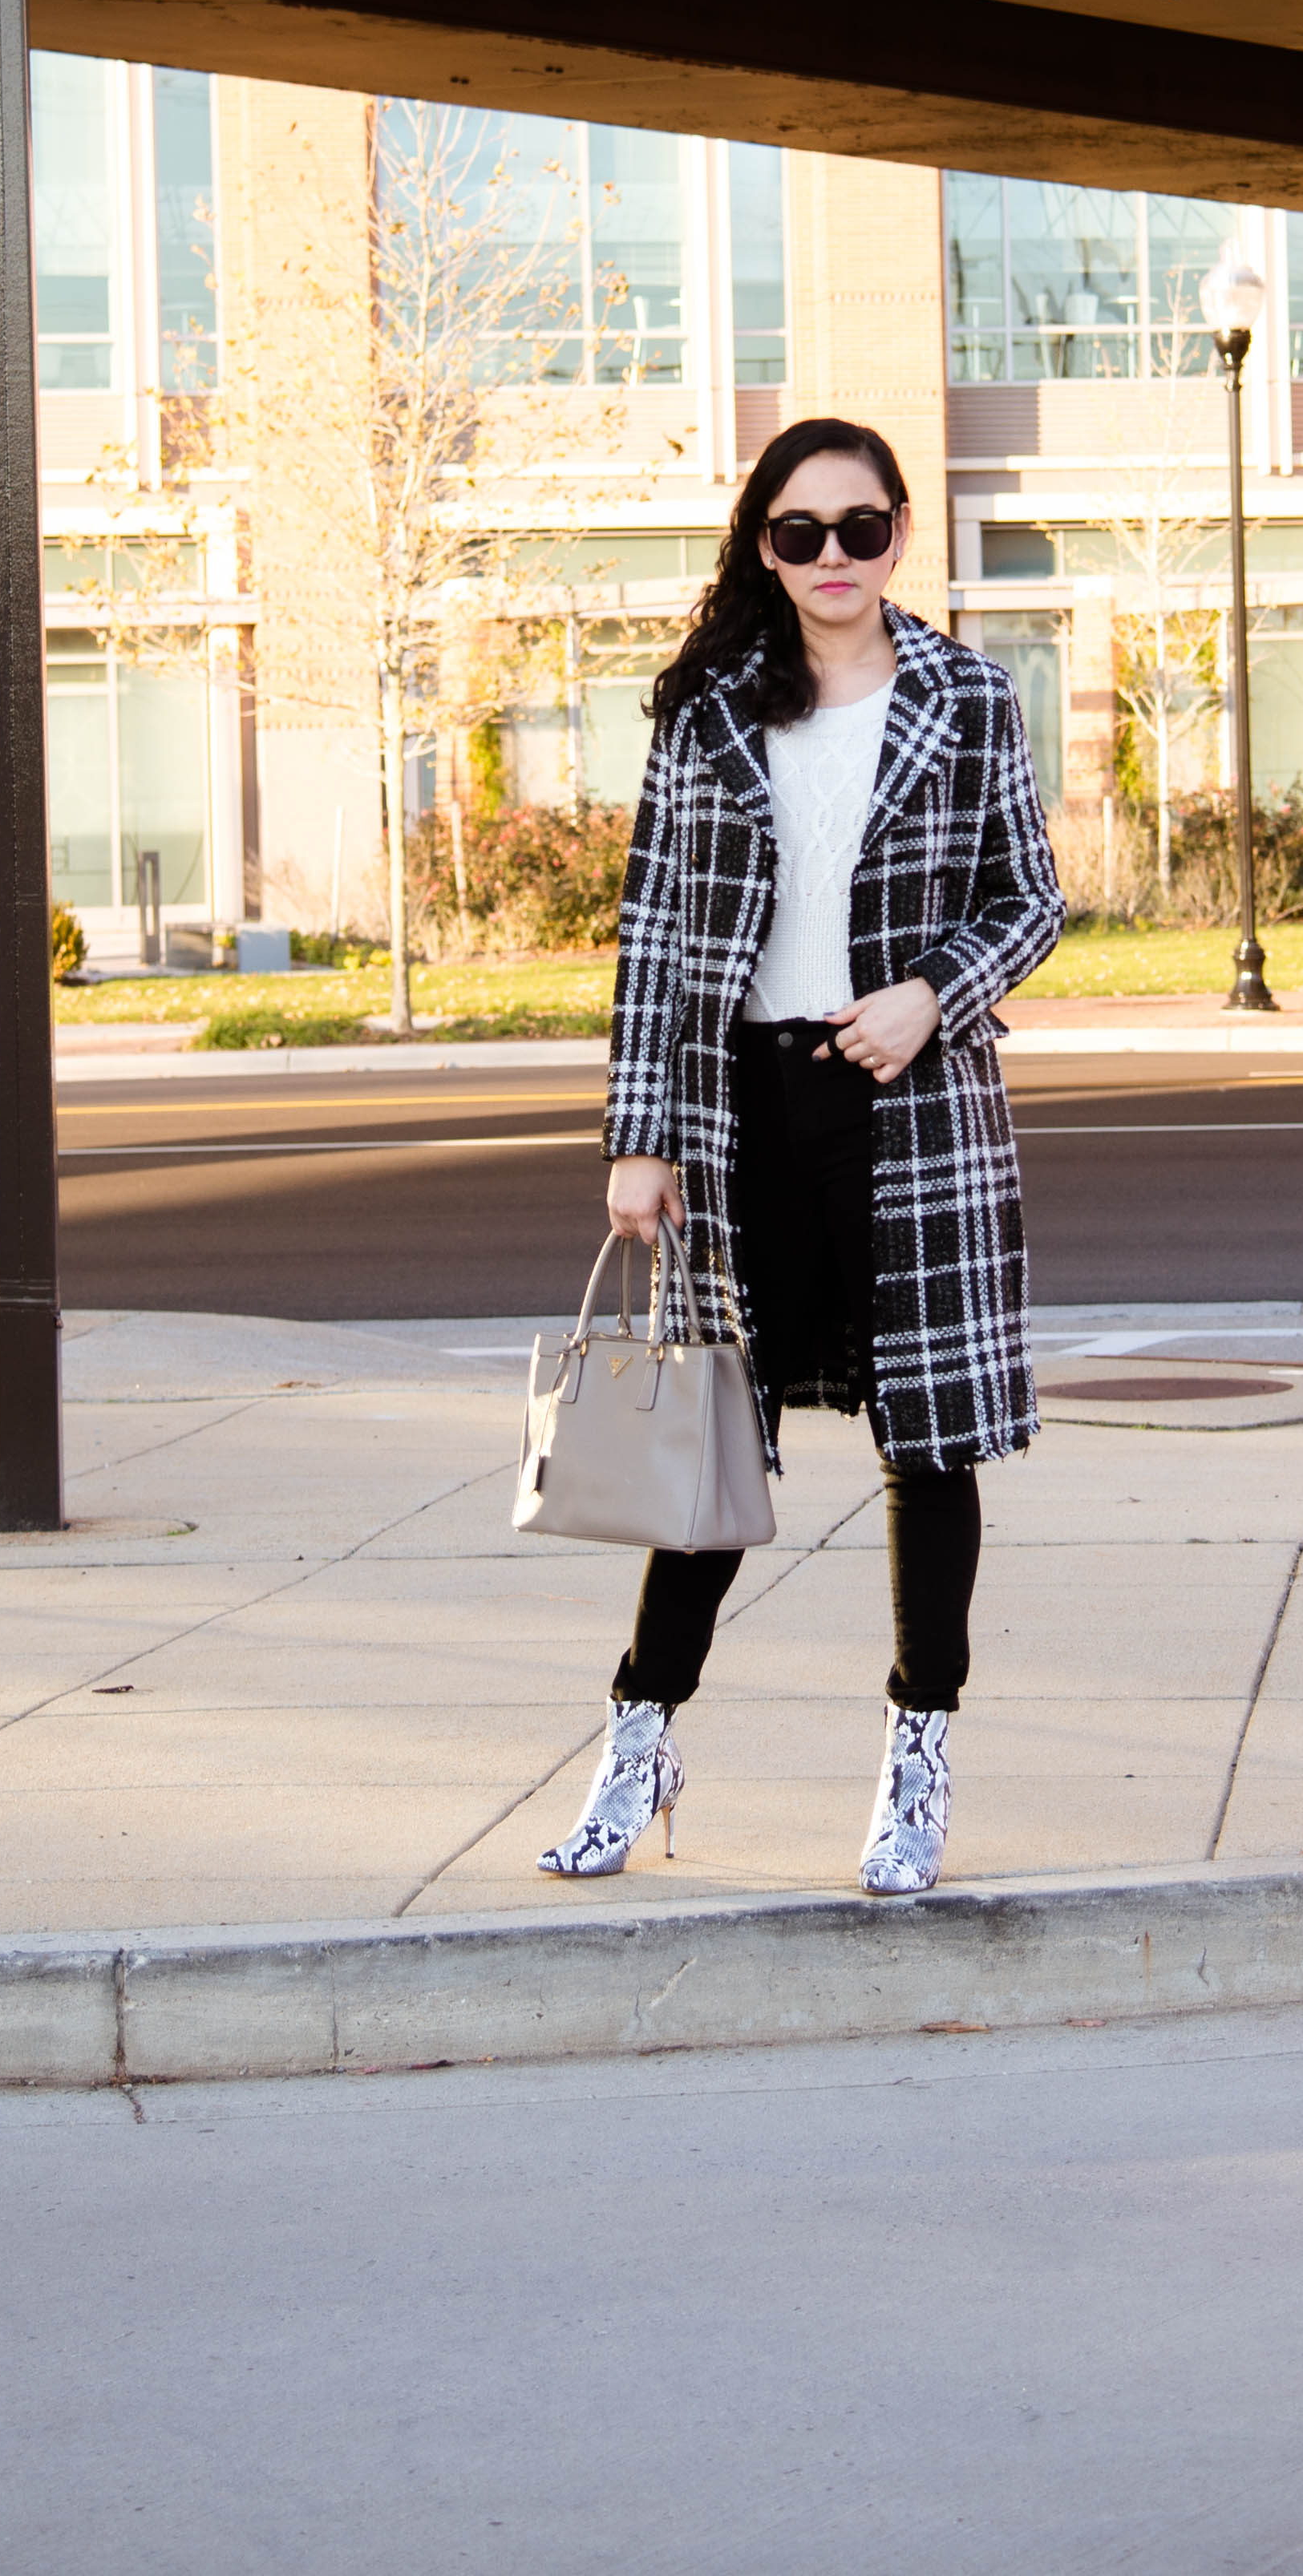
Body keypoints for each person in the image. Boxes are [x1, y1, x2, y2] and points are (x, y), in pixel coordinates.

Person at [539, 416, 1065, 1895]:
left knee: (932, 1444)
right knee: (706, 1452)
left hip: (908, 1112)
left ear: (902, 531)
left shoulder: (968, 696)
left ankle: (918, 1760)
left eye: (862, 528)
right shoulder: (711, 704)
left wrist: (932, 995)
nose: (833, 558)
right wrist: (638, 1136)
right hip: (739, 1120)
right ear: (761, 545)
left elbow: (1032, 900)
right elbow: (654, 933)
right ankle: (637, 1743)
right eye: (798, 532)